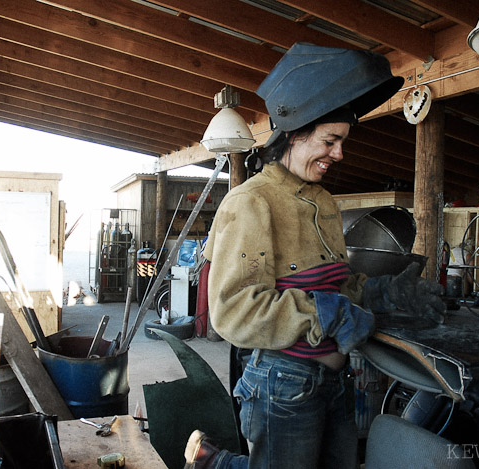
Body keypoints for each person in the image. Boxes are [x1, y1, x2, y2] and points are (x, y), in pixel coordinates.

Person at [183, 43, 445, 469]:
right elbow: (233, 311)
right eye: (330, 140)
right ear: (294, 133)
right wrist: (326, 315)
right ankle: (210, 461)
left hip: (335, 381)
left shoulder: (323, 201)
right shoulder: (251, 203)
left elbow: (336, 287)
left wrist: (384, 292)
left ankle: (209, 460)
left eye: (342, 142)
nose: (339, 154)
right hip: (282, 384)